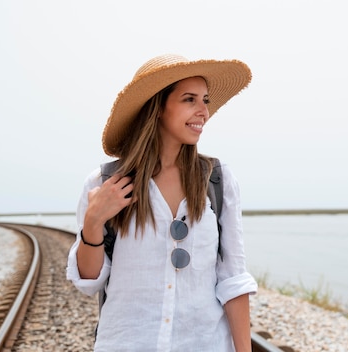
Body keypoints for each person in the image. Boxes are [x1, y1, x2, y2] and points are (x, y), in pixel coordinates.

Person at [66, 54, 258, 352]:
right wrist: (93, 223)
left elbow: (233, 278)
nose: (203, 112)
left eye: (205, 100)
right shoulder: (103, 183)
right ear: (157, 107)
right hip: (127, 342)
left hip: (205, 343)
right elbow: (89, 282)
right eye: (189, 100)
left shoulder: (217, 180)